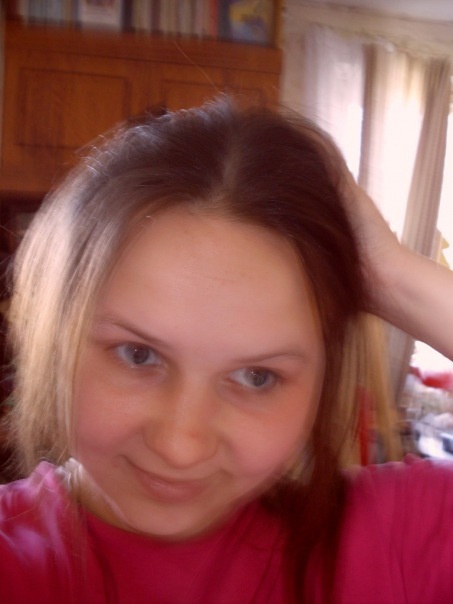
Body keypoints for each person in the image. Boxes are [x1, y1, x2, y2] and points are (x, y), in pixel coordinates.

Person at [1, 97, 453, 604]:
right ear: (56, 335)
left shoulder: (390, 545)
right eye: (137, 354)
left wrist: (391, 278)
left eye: (257, 377)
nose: (180, 446)